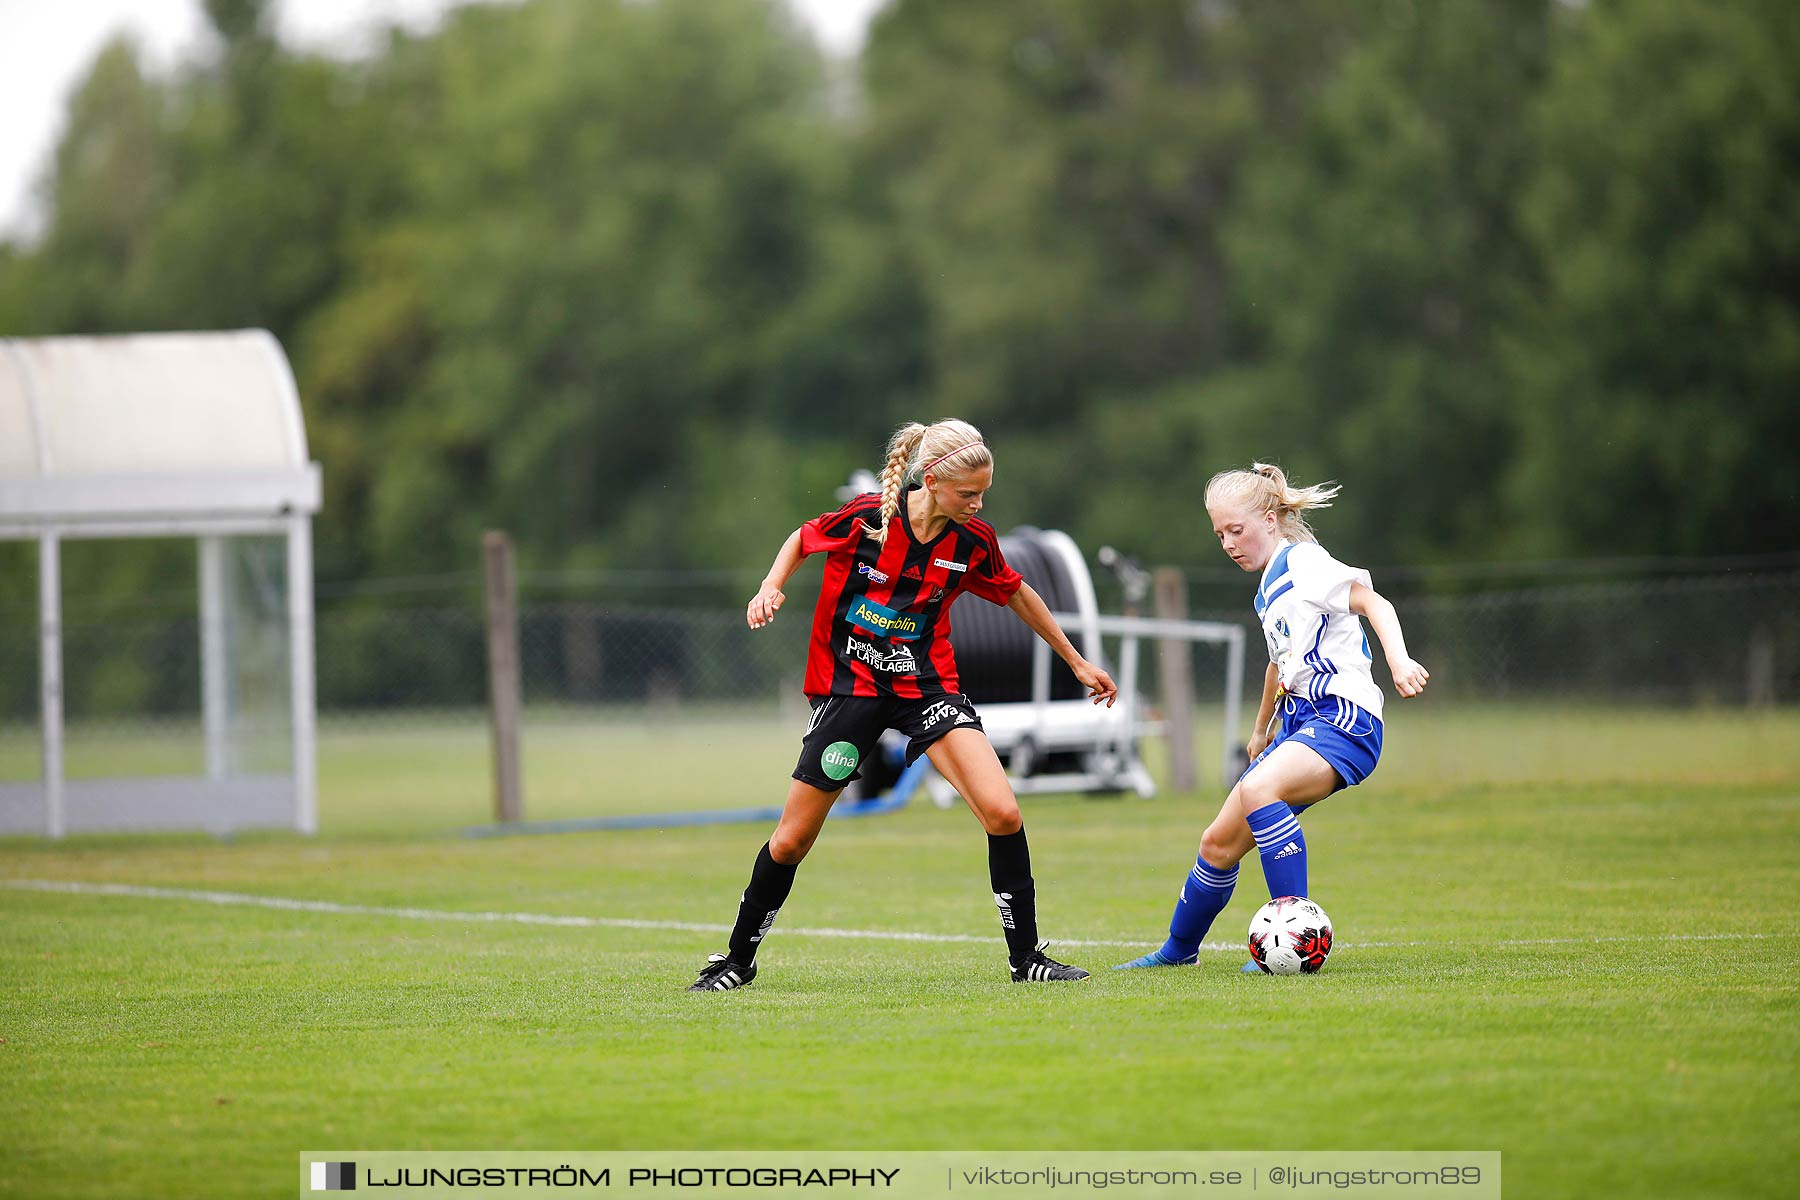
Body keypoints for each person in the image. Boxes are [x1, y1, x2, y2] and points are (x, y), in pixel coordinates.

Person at [688, 418, 1120, 991]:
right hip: (851, 693)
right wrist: (771, 585)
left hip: (928, 689)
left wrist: (1076, 660)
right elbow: (802, 537)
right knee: (792, 839)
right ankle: (736, 961)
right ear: (933, 480)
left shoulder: (972, 542)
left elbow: (1016, 591)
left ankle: (1026, 960)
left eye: (984, 492)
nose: (978, 503)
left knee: (1003, 813)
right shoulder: (868, 519)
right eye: (968, 493)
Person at [1115, 462, 1428, 972]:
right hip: (1302, 724)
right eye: (1219, 535)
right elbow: (1278, 667)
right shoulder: (1268, 588)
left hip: (1345, 718)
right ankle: (1177, 953)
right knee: (1217, 841)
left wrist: (1398, 660)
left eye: (1235, 530)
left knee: (1261, 792)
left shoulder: (1303, 560)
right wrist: (1261, 731)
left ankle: (1293, 938)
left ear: (1269, 518)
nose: (1228, 543)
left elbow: (1372, 601)